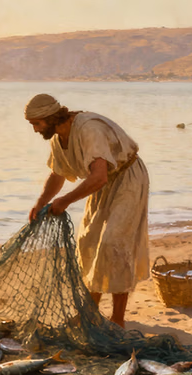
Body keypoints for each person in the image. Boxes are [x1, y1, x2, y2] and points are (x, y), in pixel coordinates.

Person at [25, 93, 149, 328]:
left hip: (127, 178)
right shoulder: (58, 138)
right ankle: (89, 314)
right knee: (88, 241)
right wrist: (41, 201)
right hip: (102, 183)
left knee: (114, 242)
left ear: (50, 117)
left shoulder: (89, 129)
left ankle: (118, 319)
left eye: (36, 124)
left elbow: (99, 176)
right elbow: (58, 173)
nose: (34, 130)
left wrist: (65, 201)